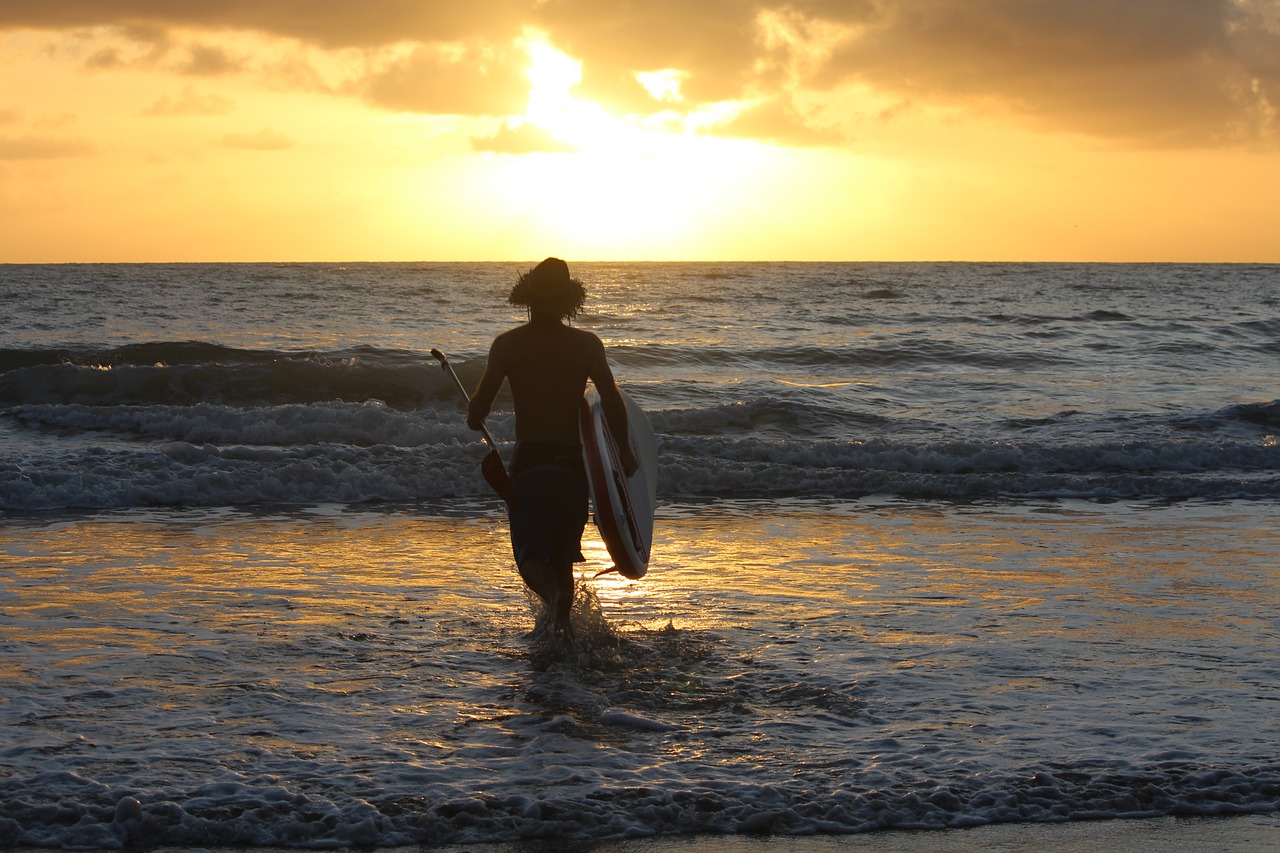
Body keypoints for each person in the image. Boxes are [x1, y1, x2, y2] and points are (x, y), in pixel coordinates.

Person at [467, 258, 638, 638]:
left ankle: (552, 600)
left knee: (529, 555)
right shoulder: (587, 344)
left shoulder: (508, 344)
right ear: (569, 302)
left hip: (530, 463)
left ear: (527, 298)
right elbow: (611, 401)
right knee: (563, 558)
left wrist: (473, 411)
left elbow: (479, 410)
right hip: (573, 467)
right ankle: (564, 641)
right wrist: (624, 451)